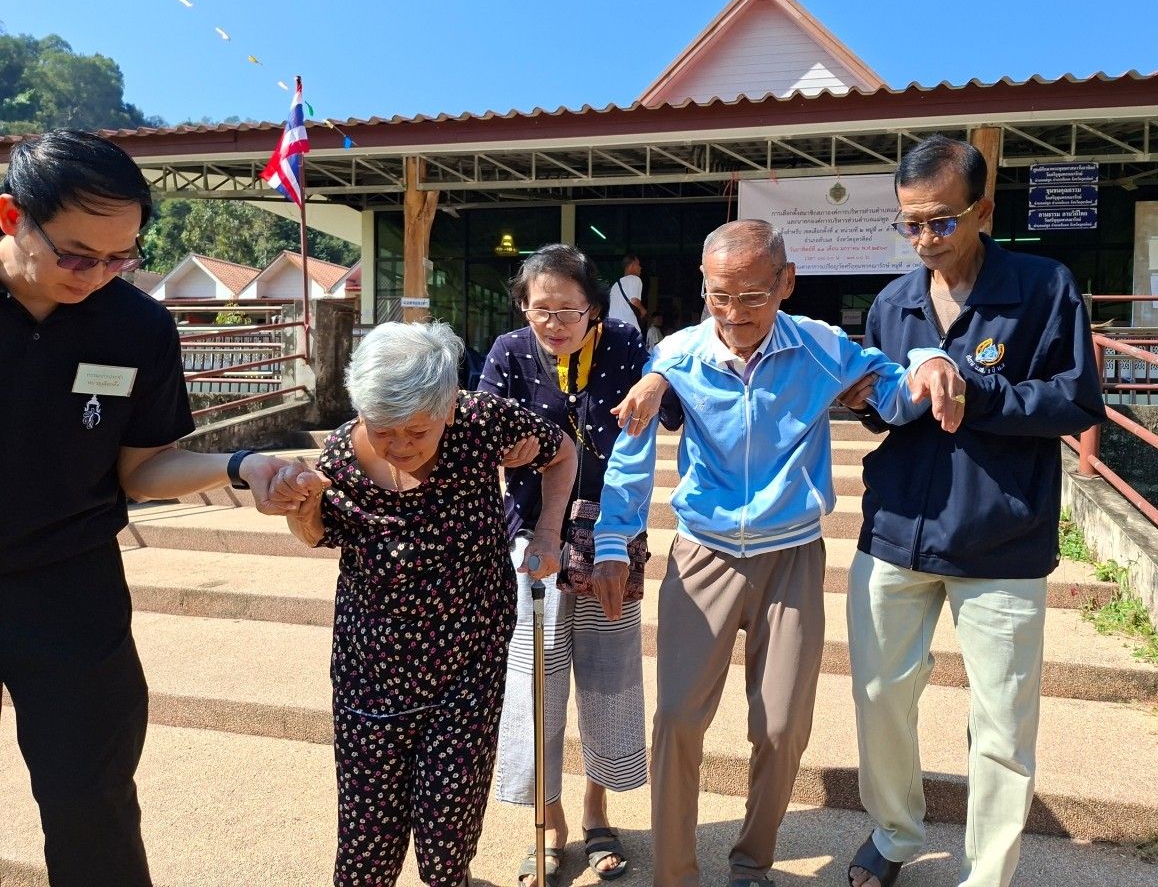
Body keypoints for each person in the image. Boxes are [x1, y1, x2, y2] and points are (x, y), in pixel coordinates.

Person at [594, 218, 966, 887]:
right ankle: (675, 874)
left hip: (791, 555)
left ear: (786, 283)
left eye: (752, 296)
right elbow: (631, 451)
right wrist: (613, 540)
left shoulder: (820, 346)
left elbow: (885, 387)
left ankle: (751, 862)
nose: (734, 315)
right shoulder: (678, 354)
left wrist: (927, 363)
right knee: (677, 718)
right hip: (702, 554)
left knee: (783, 727)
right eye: (718, 297)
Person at [0, 130, 300, 887]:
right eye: (76, 255)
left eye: (120, 257)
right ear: (11, 216)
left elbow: (144, 467)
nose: (98, 275)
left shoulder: (136, 326)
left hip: (71, 587)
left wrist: (241, 465)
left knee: (92, 801)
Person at [840, 135, 1105, 887]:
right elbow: (890, 405)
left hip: (1000, 537)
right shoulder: (893, 304)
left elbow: (1078, 401)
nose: (924, 239)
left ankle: (987, 871)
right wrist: (868, 405)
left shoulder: (1044, 287)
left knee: (1001, 722)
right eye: (910, 223)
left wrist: (977, 390)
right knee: (879, 696)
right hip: (895, 532)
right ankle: (894, 834)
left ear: (983, 209)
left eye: (941, 222)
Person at [263, 321, 575, 887]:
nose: (401, 446)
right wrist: (300, 509)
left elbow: (562, 453)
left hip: (469, 660)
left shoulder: (483, 422)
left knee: (448, 833)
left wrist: (549, 533)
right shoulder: (338, 454)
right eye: (384, 430)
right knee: (366, 844)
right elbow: (317, 535)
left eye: (417, 431)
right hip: (372, 668)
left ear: (450, 406)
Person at [480, 244, 682, 886]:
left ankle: (598, 810)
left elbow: (671, 412)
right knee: (535, 683)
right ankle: (547, 822)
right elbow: (481, 430)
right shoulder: (509, 353)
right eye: (542, 310)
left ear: (595, 309)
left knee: (609, 674)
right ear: (524, 307)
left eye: (570, 310)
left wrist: (659, 376)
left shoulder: (624, 344)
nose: (556, 323)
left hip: (613, 540)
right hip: (533, 541)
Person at [607, 253, 646, 331]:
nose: (640, 268)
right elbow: (634, 301)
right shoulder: (635, 279)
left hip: (612, 328)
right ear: (632, 265)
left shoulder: (615, 285)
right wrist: (643, 310)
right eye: (638, 265)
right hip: (628, 329)